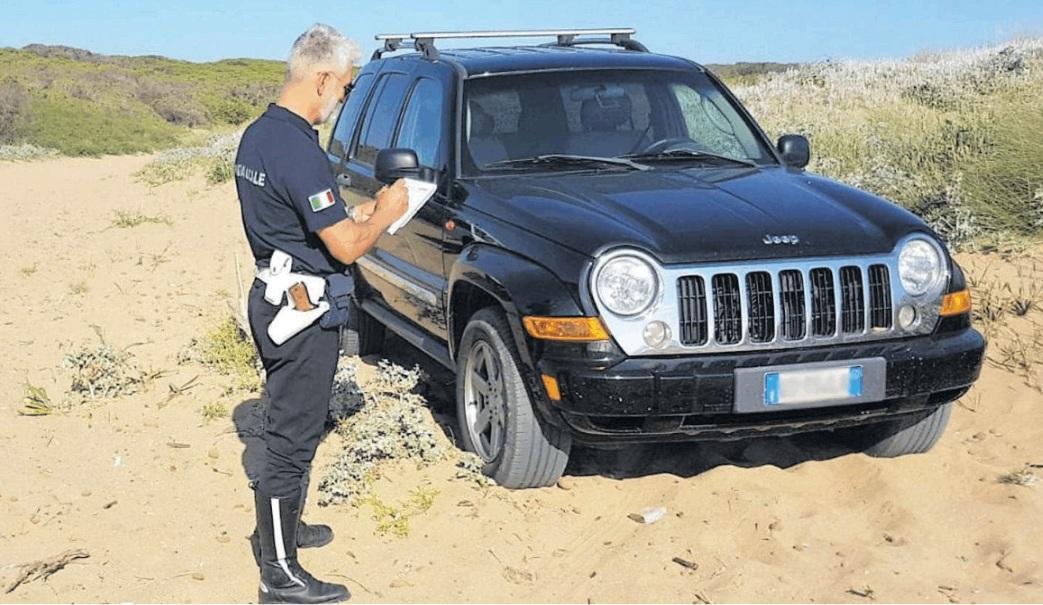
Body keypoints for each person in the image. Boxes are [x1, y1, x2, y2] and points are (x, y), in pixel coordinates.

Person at [235, 23, 408, 604]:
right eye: (345, 87)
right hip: (301, 309)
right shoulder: (298, 149)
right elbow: (347, 248)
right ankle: (278, 573)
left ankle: (285, 531)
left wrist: (353, 215)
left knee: (296, 427)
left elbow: (298, 221)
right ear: (323, 78)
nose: (343, 97)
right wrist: (387, 212)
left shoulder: (261, 135)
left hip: (274, 293)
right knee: (291, 438)